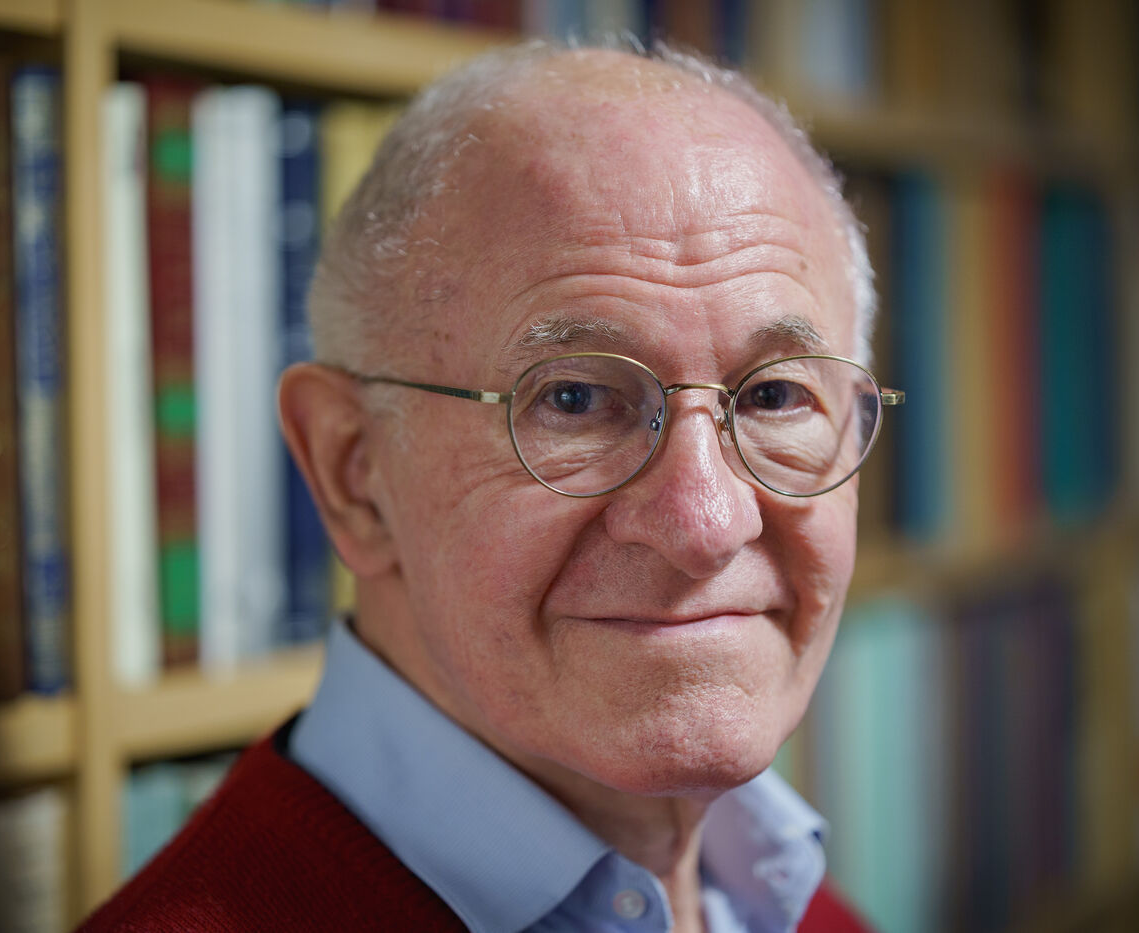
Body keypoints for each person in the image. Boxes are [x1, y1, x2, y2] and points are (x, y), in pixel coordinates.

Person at [81, 39, 901, 933]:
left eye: (775, 395)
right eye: (575, 399)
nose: (706, 521)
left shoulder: (792, 901)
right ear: (353, 472)